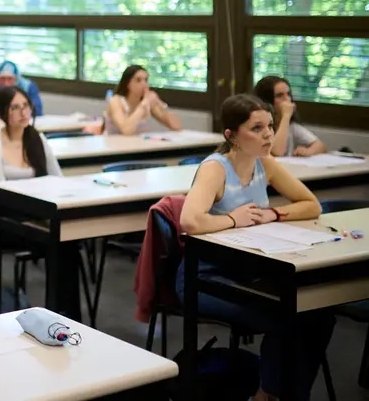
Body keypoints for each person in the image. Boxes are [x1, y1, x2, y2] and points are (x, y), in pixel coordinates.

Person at [179, 94, 331, 401]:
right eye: (257, 128)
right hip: (206, 277)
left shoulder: (266, 164)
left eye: (270, 126)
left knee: (319, 315)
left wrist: (273, 213)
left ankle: (281, 395)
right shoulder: (216, 168)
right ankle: (266, 396)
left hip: (251, 271)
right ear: (231, 135)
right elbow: (190, 221)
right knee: (286, 316)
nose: (268, 135)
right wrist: (234, 220)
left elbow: (311, 205)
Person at [0, 86, 61, 204]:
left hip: (38, 206)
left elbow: (58, 180)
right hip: (6, 210)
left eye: (25, 105)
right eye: (15, 108)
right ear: (2, 113)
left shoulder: (37, 138)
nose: (23, 113)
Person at [253, 75, 328, 158]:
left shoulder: (291, 126)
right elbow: (277, 152)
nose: (287, 99)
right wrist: (286, 116)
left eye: (288, 94)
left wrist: (308, 151)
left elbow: (321, 146)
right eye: (280, 95)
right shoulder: (259, 126)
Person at [104, 64, 182, 135]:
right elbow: (126, 130)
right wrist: (143, 105)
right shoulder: (116, 101)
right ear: (128, 84)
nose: (144, 84)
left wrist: (160, 103)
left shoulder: (147, 103)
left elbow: (176, 126)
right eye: (138, 80)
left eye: (146, 80)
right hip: (115, 147)